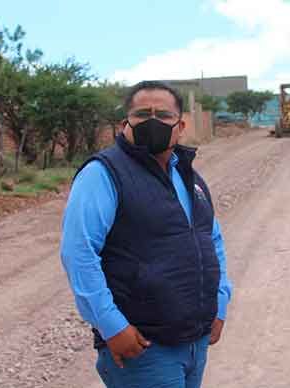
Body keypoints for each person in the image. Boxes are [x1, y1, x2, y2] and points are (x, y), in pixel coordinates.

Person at [60, 81, 232, 388]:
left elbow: (211, 239)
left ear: (180, 126)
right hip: (144, 349)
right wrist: (111, 326)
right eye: (142, 114)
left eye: (162, 115)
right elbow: (79, 253)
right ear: (126, 122)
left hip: (196, 341)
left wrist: (219, 304)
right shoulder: (104, 173)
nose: (152, 121)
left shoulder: (188, 175)